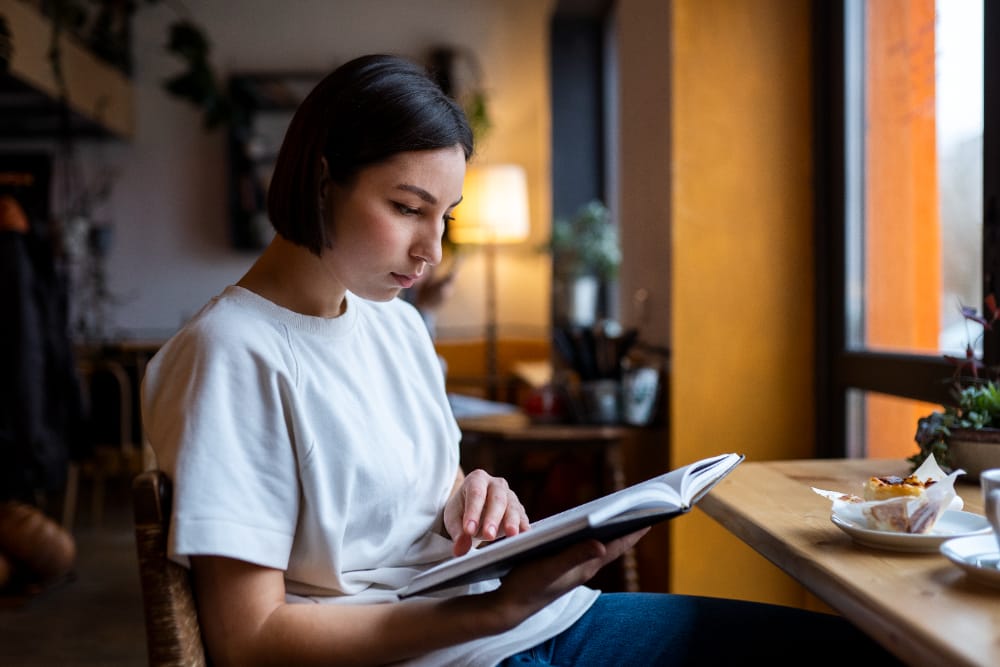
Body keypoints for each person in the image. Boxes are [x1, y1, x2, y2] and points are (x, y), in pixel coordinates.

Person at [141, 54, 903, 666]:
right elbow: (248, 640)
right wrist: (495, 608)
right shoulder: (231, 353)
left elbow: (419, 499)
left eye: (444, 216)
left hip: (524, 625)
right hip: (462, 643)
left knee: (873, 649)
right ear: (320, 178)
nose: (431, 250)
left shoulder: (393, 325)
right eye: (406, 208)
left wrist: (475, 494)